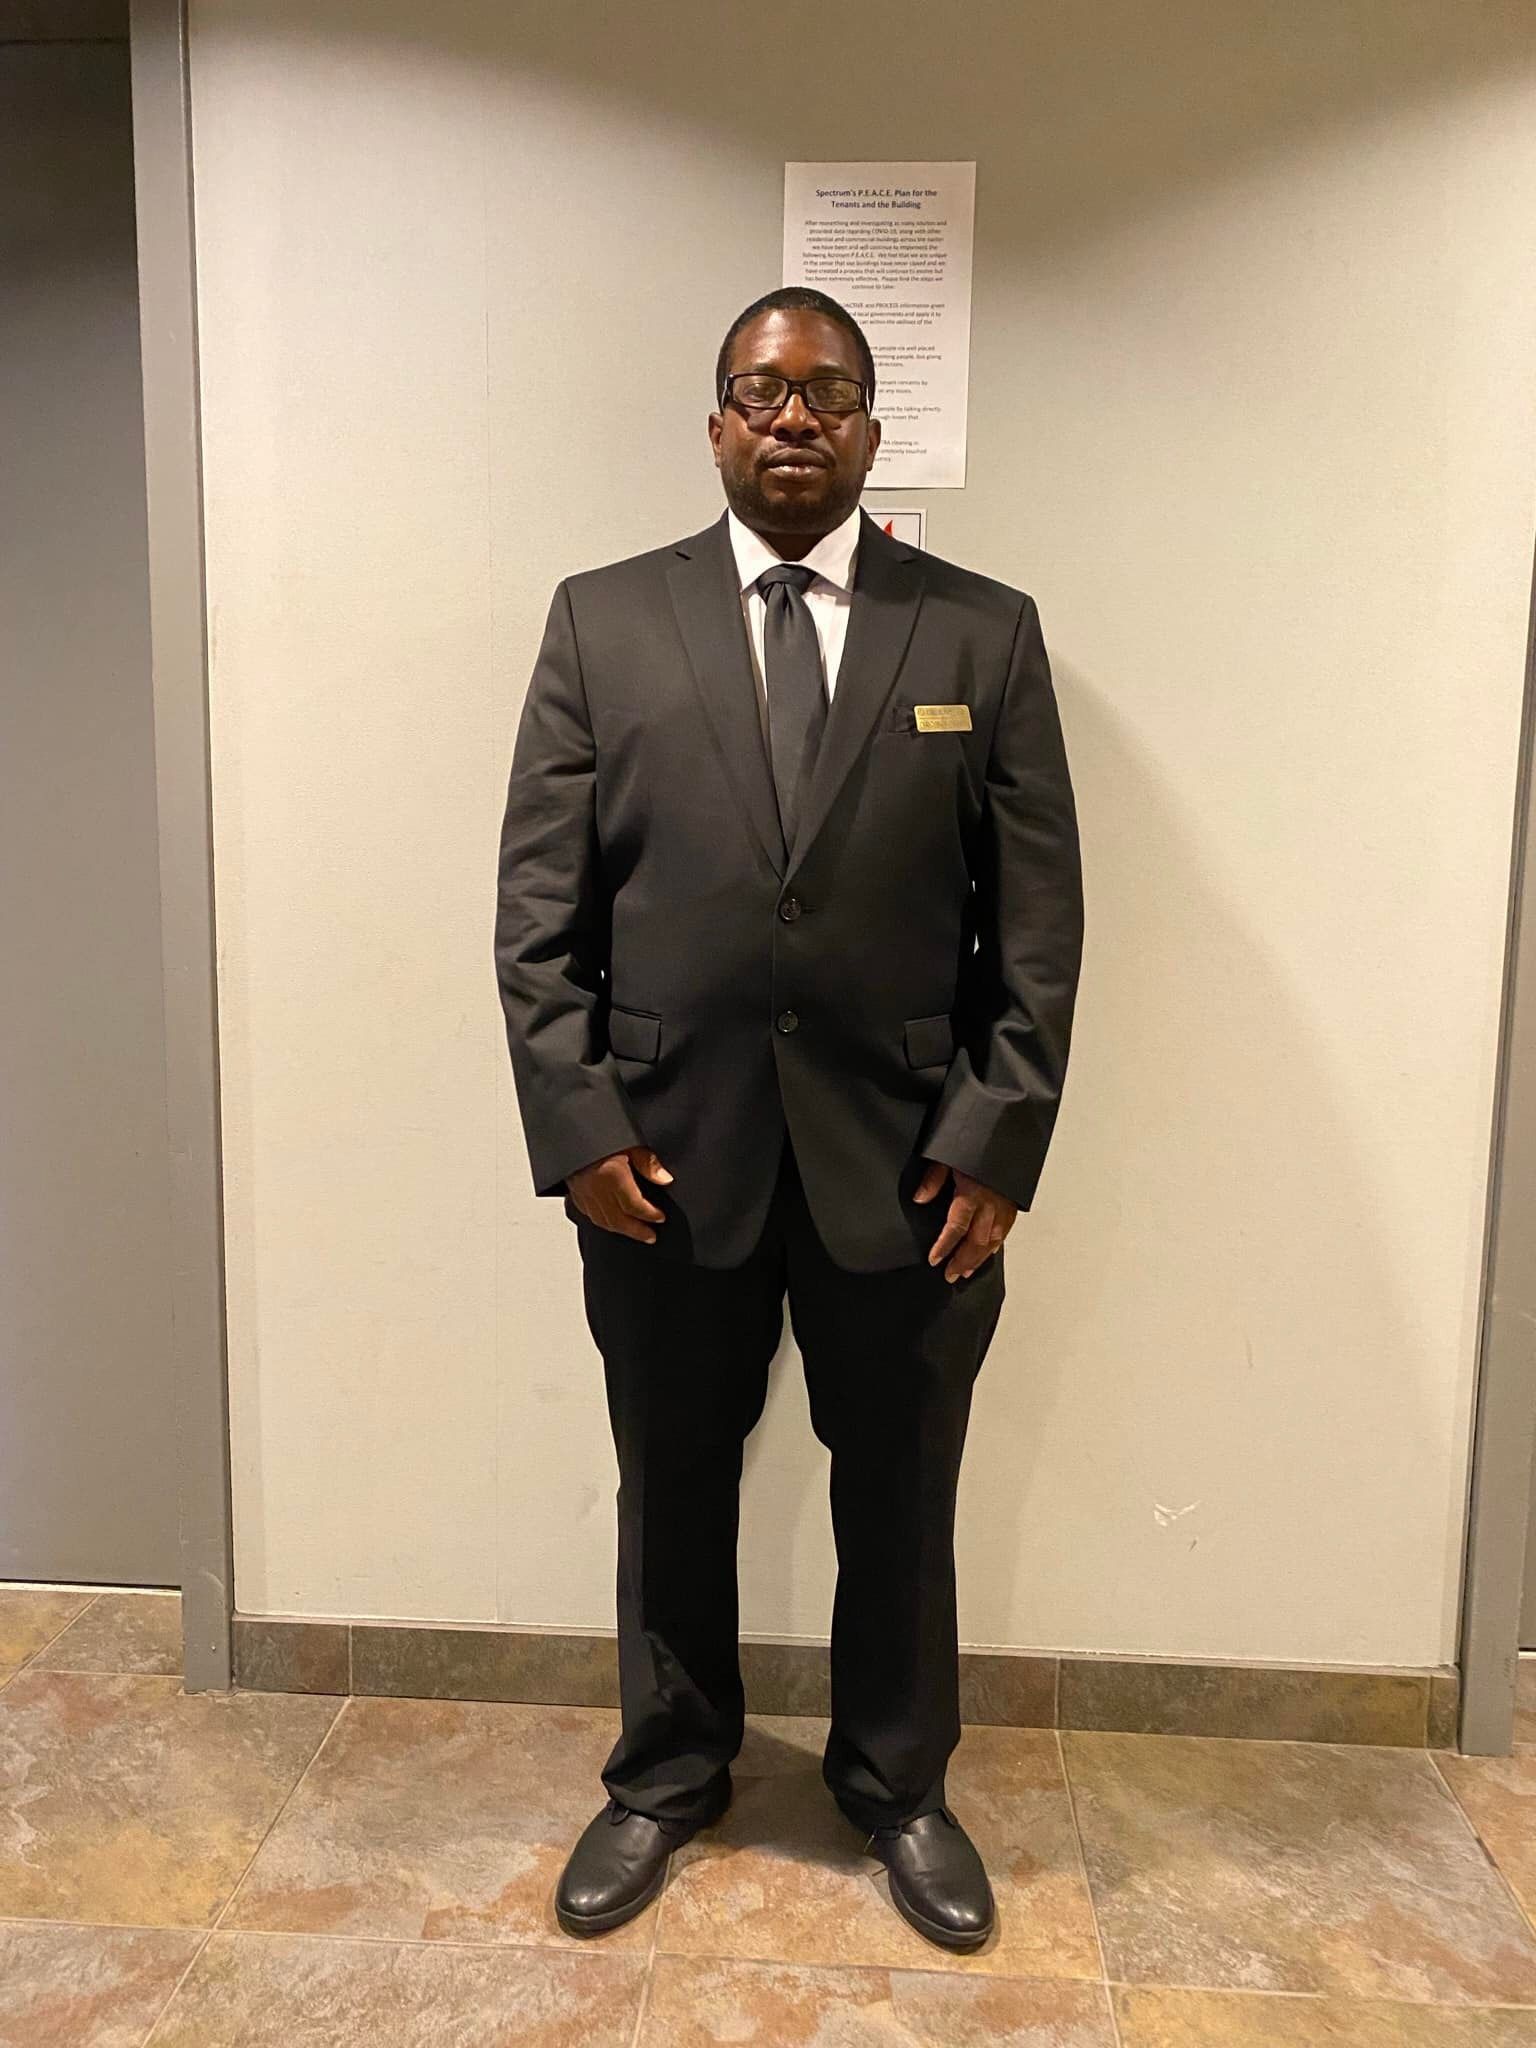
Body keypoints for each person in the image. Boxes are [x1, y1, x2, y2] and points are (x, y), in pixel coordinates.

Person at [493, 284, 1084, 1951]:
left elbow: (1037, 925)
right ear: (717, 426)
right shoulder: (604, 621)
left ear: (876, 429)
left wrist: (996, 1138)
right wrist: (580, 1126)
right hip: (663, 1163)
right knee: (670, 1479)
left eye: (828, 391)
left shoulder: (980, 633)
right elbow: (538, 911)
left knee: (900, 1493)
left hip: (910, 1173)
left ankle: (898, 1786)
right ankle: (667, 1774)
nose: (795, 418)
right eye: (762, 391)